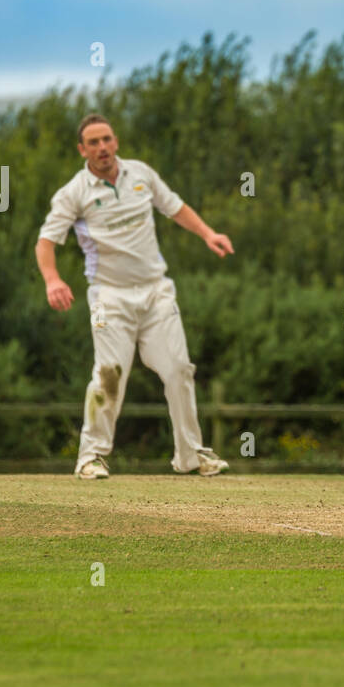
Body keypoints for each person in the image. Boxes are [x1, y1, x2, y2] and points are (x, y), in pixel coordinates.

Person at [36, 114, 234, 479]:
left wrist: (208, 233)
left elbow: (174, 207)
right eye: (93, 143)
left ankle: (190, 455)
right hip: (107, 299)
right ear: (82, 150)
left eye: (107, 139)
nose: (103, 148)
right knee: (109, 375)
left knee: (178, 369)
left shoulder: (141, 174)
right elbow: (46, 241)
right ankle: (90, 456)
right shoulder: (74, 193)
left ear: (116, 142)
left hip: (157, 292)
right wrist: (52, 280)